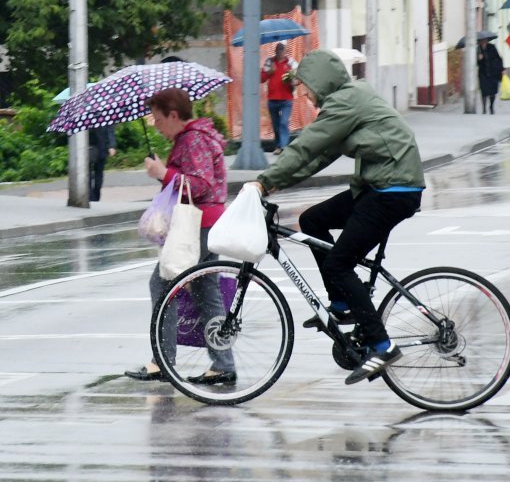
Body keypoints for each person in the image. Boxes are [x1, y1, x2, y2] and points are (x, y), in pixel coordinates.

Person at [245, 49, 425, 385]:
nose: (305, 95)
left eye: (306, 88)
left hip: (392, 190)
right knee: (313, 220)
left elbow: (307, 145)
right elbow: (318, 156)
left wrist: (263, 181)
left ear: (320, 82)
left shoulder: (346, 102)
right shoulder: (347, 101)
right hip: (380, 185)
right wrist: (273, 186)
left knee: (338, 264)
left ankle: (381, 345)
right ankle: (341, 304)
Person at [124, 87, 235, 385]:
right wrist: (167, 169)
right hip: (208, 222)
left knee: (162, 284)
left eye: (158, 118)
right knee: (207, 292)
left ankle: (163, 360)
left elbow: (200, 184)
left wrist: (164, 173)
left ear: (174, 115)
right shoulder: (197, 136)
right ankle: (223, 363)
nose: (156, 125)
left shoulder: (192, 139)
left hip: (196, 224)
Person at [261, 42, 298, 155]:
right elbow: (261, 79)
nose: (280, 52)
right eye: (278, 50)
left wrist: (293, 82)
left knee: (283, 122)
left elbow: (298, 78)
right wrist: (269, 72)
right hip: (272, 99)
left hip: (287, 98)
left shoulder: (291, 63)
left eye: (282, 50)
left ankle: (283, 146)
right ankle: (278, 145)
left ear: (285, 51)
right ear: (275, 51)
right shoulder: (269, 62)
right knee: (276, 124)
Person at [88, 125, 116, 201]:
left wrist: (112, 145)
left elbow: (110, 131)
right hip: (91, 147)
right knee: (89, 174)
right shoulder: (104, 116)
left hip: (100, 148)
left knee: (97, 174)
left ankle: (95, 196)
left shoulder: (105, 116)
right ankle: (91, 196)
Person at [477, 38, 504, 114]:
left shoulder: (492, 47)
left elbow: (499, 58)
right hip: (483, 73)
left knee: (493, 91)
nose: (483, 42)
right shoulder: (478, 49)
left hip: (493, 72)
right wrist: (479, 59)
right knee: (484, 91)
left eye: (484, 40)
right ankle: (484, 108)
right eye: (481, 41)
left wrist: (502, 69)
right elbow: (476, 63)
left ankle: (491, 106)